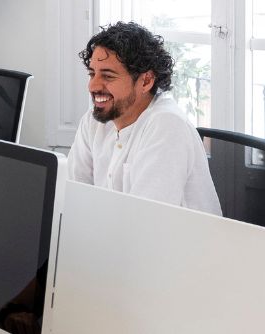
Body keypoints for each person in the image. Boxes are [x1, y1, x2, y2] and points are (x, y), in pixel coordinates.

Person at [69, 22, 220, 214]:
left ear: (146, 81)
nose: (93, 86)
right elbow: (74, 197)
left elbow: (144, 221)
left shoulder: (167, 126)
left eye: (108, 76)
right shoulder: (93, 121)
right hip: (116, 238)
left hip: (176, 242)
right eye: (92, 74)